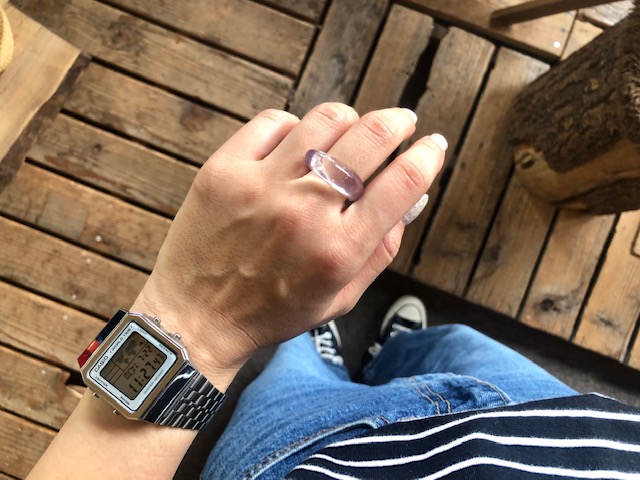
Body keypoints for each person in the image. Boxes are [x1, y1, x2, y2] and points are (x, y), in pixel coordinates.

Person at [26, 104, 639, 480]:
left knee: (294, 366)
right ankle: (387, 353)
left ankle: (317, 350)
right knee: (449, 344)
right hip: (547, 414)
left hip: (308, 456)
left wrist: (202, 326)